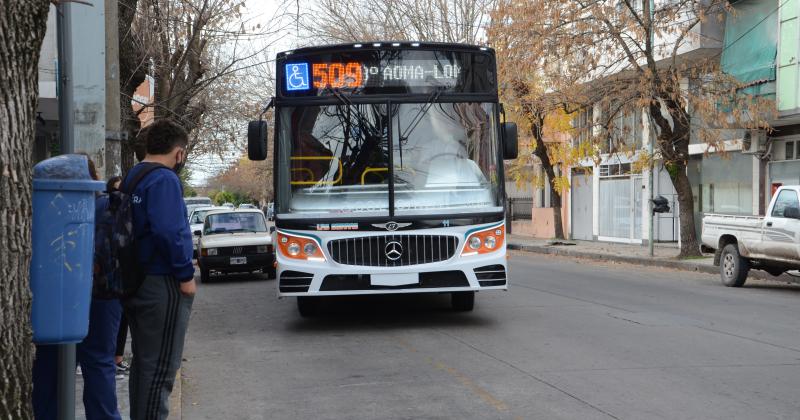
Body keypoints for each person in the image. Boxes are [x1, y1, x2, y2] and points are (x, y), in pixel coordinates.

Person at [33, 156, 123, 420]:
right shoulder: (107, 208)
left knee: (51, 366)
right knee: (97, 363)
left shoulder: (43, 207)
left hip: (56, 299)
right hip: (103, 297)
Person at [122, 119, 196, 420]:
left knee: (143, 365)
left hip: (135, 280)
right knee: (161, 368)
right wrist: (186, 275)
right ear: (178, 153)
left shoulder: (133, 176)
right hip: (161, 283)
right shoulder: (164, 179)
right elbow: (169, 231)